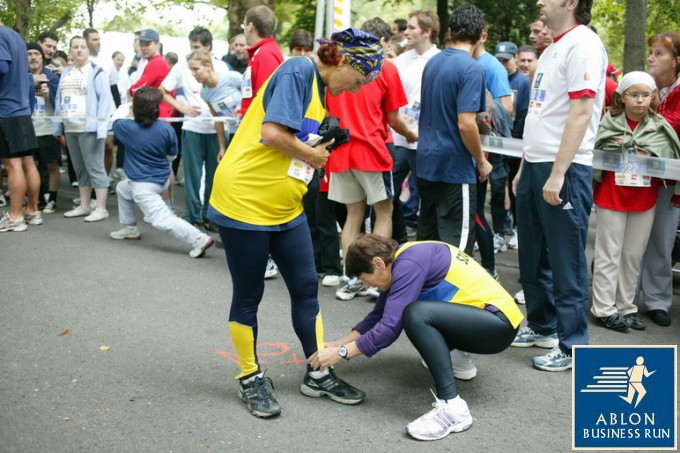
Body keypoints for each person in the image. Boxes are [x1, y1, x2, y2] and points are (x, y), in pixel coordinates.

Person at [207, 28, 384, 419]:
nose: (355, 90)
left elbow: (292, 140)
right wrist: (313, 154)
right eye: (358, 80)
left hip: (285, 208)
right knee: (249, 294)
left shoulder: (320, 88)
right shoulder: (298, 71)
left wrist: (321, 143)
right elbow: (272, 134)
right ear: (343, 60)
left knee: (306, 287)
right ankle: (249, 376)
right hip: (244, 203)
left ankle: (318, 372)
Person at [311, 234, 523, 441]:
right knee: (418, 313)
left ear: (378, 263)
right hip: (490, 322)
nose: (366, 286)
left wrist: (341, 354)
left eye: (364, 279)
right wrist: (337, 344)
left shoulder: (409, 264)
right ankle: (458, 361)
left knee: (416, 315)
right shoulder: (400, 259)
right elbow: (377, 317)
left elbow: (388, 328)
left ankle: (453, 407)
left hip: (497, 326)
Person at [511, 0, 607, 372]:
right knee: (531, 255)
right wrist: (525, 166)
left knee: (566, 261)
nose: (539, 1)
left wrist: (558, 172)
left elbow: (582, 113)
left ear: (571, 2)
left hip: (564, 168)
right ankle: (542, 325)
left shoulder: (583, 45)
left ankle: (572, 346)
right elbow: (541, 114)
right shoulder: (552, 48)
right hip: (536, 165)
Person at [326, 17, 416, 301]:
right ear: (382, 41)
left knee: (353, 216)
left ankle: (349, 277)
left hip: (341, 149)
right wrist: (411, 134)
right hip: (372, 150)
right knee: (383, 212)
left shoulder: (339, 66)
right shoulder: (385, 68)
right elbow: (394, 118)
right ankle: (376, 277)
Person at [591, 71, 680, 332]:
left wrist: (651, 157)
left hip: (644, 199)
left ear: (653, 97)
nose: (640, 100)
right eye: (634, 95)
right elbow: (595, 153)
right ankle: (604, 309)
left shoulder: (660, 127)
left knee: (632, 256)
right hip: (611, 196)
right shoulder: (608, 122)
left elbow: (671, 158)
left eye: (645, 95)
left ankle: (626, 308)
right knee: (609, 253)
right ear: (622, 97)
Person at [416, 4, 492, 255]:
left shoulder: (433, 63)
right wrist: (481, 161)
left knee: (427, 244)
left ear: (450, 30)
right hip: (454, 168)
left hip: (426, 162)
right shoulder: (472, 68)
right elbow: (466, 123)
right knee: (456, 251)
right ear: (481, 35)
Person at [109, 87, 215, 258]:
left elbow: (115, 118)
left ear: (135, 108)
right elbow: (172, 156)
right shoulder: (166, 128)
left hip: (142, 186)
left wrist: (126, 105)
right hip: (162, 179)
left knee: (161, 219)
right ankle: (129, 228)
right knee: (122, 188)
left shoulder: (126, 127)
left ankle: (199, 239)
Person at [160, 27, 230, 231]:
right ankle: (194, 216)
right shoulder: (183, 65)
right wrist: (181, 108)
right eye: (191, 46)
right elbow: (163, 90)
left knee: (214, 176)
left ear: (208, 47)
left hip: (217, 129)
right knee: (192, 176)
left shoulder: (222, 67)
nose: (193, 50)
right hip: (192, 127)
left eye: (197, 47)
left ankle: (210, 215)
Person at [636, 31, 680, 327]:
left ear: (676, 61)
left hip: (669, 182)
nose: (650, 58)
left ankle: (657, 301)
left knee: (661, 241)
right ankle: (624, 299)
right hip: (637, 177)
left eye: (659, 53)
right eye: (651, 52)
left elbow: (671, 125)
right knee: (631, 241)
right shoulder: (644, 87)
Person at [391, 10, 440, 244]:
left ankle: (426, 247)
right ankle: (398, 243)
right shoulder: (401, 60)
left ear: (427, 31)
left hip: (425, 142)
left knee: (428, 198)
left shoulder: (439, 60)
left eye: (412, 28)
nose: (406, 32)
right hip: (398, 138)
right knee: (387, 195)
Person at [54, 36, 114, 222]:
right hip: (70, 127)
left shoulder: (97, 72)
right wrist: (58, 125)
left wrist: (101, 128)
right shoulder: (66, 72)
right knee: (79, 168)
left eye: (82, 47)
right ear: (70, 51)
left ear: (88, 50)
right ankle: (85, 205)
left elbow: (105, 101)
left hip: (90, 128)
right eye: (75, 47)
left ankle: (101, 208)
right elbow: (59, 98)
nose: (79, 50)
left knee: (95, 167)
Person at [0, 22, 41, 232]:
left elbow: (2, 67)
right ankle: (32, 210)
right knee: (27, 162)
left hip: (6, 110)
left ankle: (15, 216)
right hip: (21, 109)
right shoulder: (15, 36)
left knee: (12, 164)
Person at [187, 49, 242, 160]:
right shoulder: (204, 93)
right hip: (234, 133)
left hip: (250, 129)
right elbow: (217, 119)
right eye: (191, 70)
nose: (193, 74)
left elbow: (254, 96)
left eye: (196, 69)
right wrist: (222, 148)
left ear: (207, 66)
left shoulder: (232, 77)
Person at [27, 42, 60, 214]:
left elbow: (60, 103)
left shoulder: (51, 77)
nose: (33, 57)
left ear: (42, 58)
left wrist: (49, 94)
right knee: (31, 165)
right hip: (28, 128)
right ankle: (36, 199)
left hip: (48, 128)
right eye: (29, 54)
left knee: (52, 164)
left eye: (36, 54)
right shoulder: (21, 77)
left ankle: (52, 199)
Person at [240, 5, 284, 116]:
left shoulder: (265, 54)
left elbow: (266, 99)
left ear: (250, 26)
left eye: (244, 25)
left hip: (258, 124)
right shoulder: (263, 51)